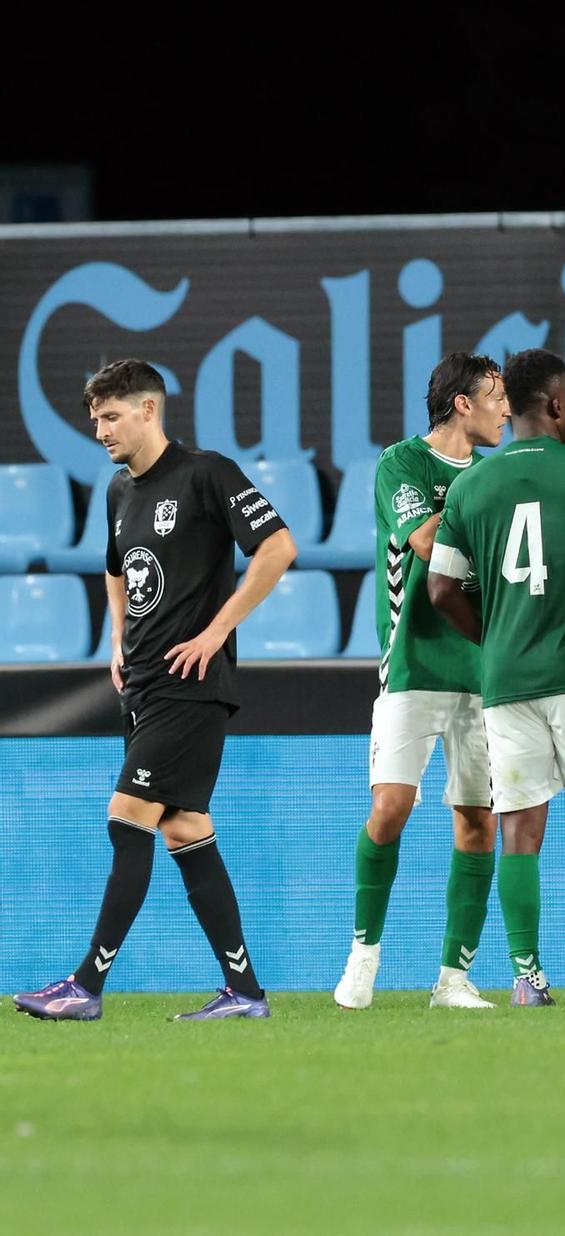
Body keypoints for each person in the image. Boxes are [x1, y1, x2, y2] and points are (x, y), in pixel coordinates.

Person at [15, 359, 297, 1021]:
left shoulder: (207, 473)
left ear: (149, 410)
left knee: (128, 815)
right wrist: (117, 641)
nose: (101, 430)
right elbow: (118, 570)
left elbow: (278, 547)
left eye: (111, 416)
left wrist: (216, 632)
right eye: (95, 419)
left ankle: (85, 985)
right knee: (185, 828)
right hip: (142, 687)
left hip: (190, 684)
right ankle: (245, 993)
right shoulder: (119, 492)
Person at [426, 348, 565, 1006]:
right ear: (554, 404)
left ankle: (527, 975)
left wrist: (493, 637)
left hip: (504, 679)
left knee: (520, 827)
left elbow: (441, 587)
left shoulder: (472, 484)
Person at [335, 353, 510, 1011]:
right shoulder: (401, 464)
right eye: (495, 397)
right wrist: (481, 508)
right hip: (411, 668)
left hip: (482, 669)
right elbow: (428, 541)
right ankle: (363, 957)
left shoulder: (497, 475)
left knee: (478, 821)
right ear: (462, 404)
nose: (506, 410)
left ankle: (454, 979)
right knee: (391, 809)